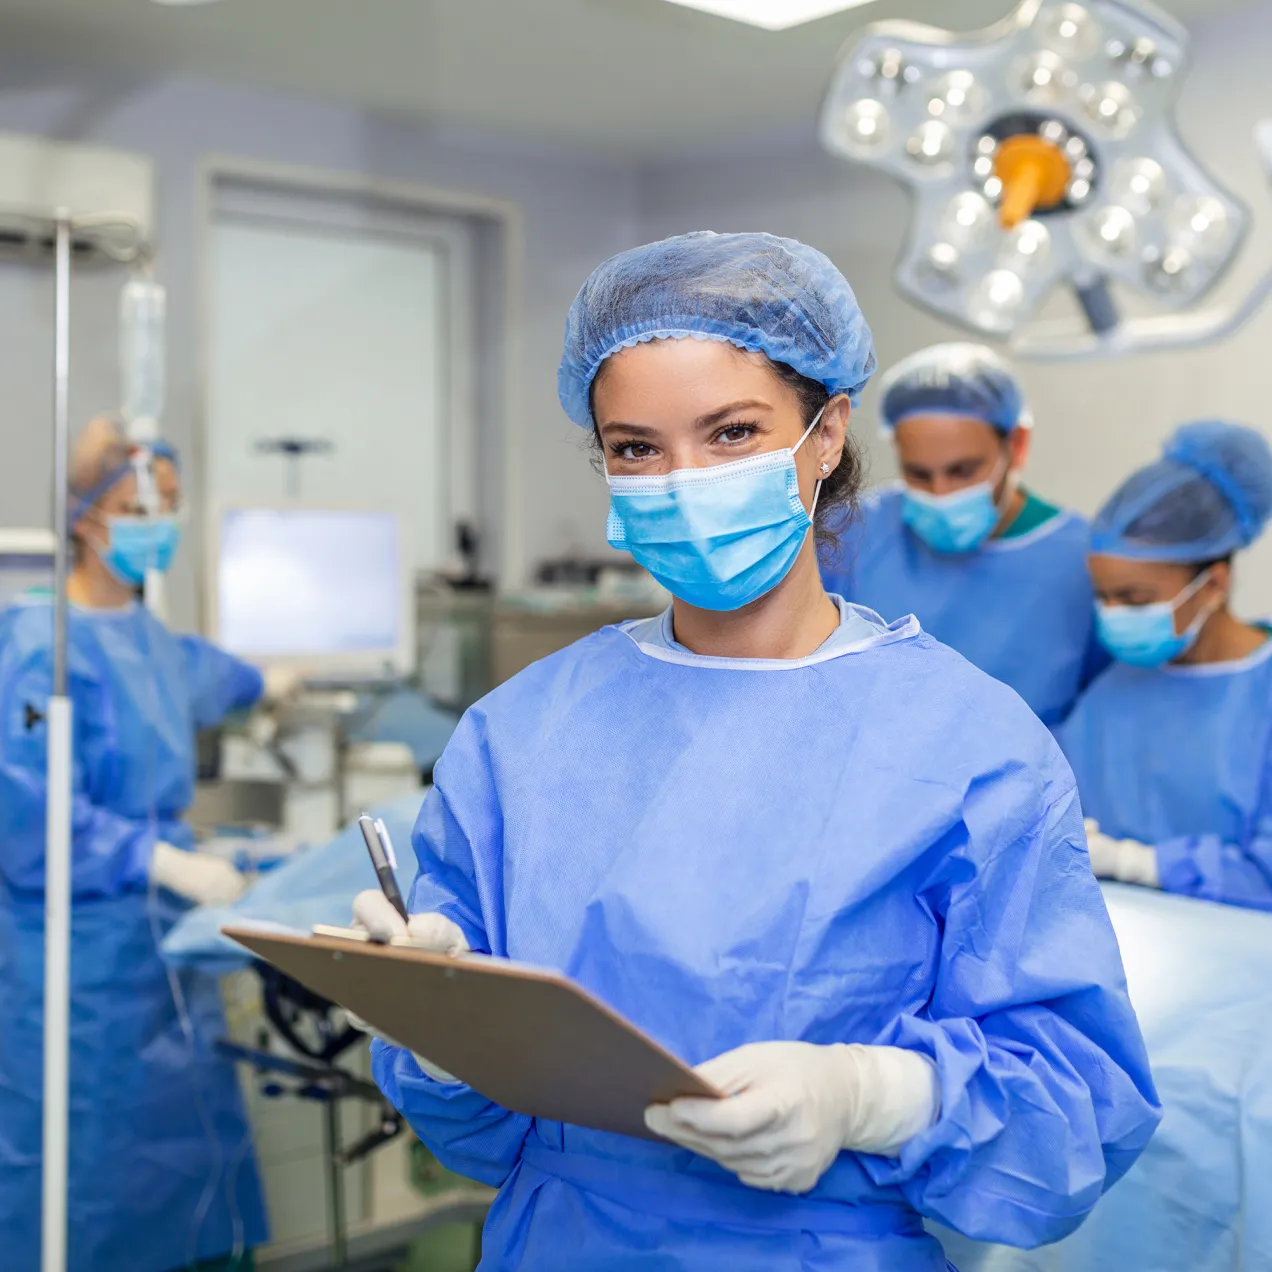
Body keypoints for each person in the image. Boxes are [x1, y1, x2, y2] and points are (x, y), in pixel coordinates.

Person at [353, 232, 1159, 1269]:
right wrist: (438, 1030)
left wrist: (871, 1096)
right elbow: (473, 1137)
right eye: (637, 448)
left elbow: (1075, 1111)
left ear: (826, 435)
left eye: (732, 434)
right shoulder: (520, 734)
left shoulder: (969, 744)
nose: (682, 481)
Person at [0, 417, 270, 1271]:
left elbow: (221, 678)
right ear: (84, 517)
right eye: (135, 507)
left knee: (177, 1150)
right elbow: (25, 809)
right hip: (73, 965)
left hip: (163, 952)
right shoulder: (34, 649)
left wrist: (285, 678)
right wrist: (161, 859)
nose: (158, 524)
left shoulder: (153, 640)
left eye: (171, 507)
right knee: (80, 1168)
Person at [820, 343, 1106, 726]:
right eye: (919, 474)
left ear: (1016, 446)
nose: (940, 494)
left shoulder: (1082, 560)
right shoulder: (854, 531)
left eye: (963, 471)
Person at [1058, 420, 1272, 910]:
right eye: (1103, 597)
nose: (1113, 616)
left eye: (1134, 599)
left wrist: (1134, 863)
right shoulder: (1112, 692)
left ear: (1214, 585)